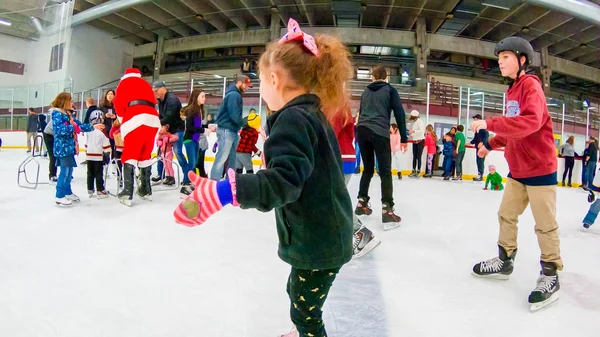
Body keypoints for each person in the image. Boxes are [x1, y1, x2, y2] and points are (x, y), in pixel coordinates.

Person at [173, 20, 354, 337]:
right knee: (297, 295)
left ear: (274, 79)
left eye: (261, 81)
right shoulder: (312, 115)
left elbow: (283, 182)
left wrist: (224, 193)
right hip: (324, 233)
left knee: (306, 314)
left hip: (318, 241)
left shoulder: (293, 120)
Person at [471, 37, 562, 311]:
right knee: (506, 215)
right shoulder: (511, 92)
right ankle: (505, 259)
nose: (500, 62)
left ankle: (550, 275)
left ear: (522, 59)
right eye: (499, 59)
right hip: (518, 169)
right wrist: (490, 144)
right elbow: (515, 132)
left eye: (506, 57)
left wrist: (490, 124)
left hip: (540, 169)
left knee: (544, 224)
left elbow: (531, 122)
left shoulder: (530, 86)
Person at [355, 65, 408, 227]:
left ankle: (361, 204)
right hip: (379, 132)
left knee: (368, 169)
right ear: (387, 78)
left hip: (362, 131)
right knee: (385, 171)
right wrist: (404, 138)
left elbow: (361, 112)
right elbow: (399, 112)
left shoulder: (365, 92)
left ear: (372, 78)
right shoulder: (390, 90)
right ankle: (387, 210)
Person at [331, 104, 381, 259]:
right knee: (333, 200)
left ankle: (361, 232)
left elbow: (329, 135)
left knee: (333, 200)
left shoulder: (335, 107)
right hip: (340, 159)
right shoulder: (336, 105)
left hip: (339, 159)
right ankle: (343, 236)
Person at [115, 68, 162, 206]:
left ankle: (127, 192)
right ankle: (146, 190)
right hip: (153, 120)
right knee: (145, 153)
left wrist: (123, 120)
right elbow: (154, 101)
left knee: (130, 153)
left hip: (135, 118)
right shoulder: (145, 84)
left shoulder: (124, 84)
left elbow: (119, 105)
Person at [50, 92, 103, 206]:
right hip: (62, 148)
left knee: (69, 171)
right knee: (64, 171)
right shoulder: (57, 114)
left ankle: (67, 192)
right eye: (71, 101)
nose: (72, 103)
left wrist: (92, 126)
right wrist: (73, 127)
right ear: (65, 102)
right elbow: (59, 130)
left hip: (70, 147)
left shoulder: (69, 114)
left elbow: (79, 125)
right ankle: (59, 195)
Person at [210, 75, 252, 180]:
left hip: (231, 131)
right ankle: (214, 183)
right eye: (246, 85)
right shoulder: (234, 95)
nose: (247, 87)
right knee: (222, 158)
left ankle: (230, 182)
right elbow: (234, 116)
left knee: (233, 159)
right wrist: (248, 120)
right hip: (226, 131)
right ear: (239, 83)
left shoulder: (234, 94)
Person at [152, 81, 187, 189]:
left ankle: (187, 178)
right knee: (161, 152)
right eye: (154, 91)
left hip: (177, 129)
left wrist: (156, 123)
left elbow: (169, 117)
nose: (155, 93)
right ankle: (162, 174)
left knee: (178, 152)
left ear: (163, 88)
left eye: (156, 90)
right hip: (167, 129)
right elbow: (161, 116)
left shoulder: (172, 100)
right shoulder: (160, 101)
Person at [181, 89, 207, 197]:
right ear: (196, 97)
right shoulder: (192, 109)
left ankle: (187, 182)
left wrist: (206, 127)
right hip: (189, 139)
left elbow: (198, 126)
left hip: (195, 140)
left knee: (194, 162)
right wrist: (203, 130)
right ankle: (185, 186)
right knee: (192, 163)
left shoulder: (199, 110)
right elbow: (190, 127)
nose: (204, 98)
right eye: (202, 96)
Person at [85, 110, 111, 198]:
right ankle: (100, 189)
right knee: (99, 173)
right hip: (98, 156)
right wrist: (107, 153)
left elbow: (86, 144)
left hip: (89, 155)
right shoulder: (102, 132)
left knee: (90, 173)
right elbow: (106, 145)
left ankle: (90, 188)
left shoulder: (88, 131)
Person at [470, 114, 489, 181]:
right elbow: (476, 138)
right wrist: (470, 142)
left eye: (475, 119)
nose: (474, 120)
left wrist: (482, 142)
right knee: (478, 160)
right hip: (478, 147)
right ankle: (479, 174)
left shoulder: (482, 126)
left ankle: (480, 175)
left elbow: (486, 135)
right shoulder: (477, 128)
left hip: (482, 148)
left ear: (478, 119)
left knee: (480, 161)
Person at [408, 110, 425, 178]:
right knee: (414, 157)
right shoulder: (415, 122)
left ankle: (418, 171)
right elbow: (415, 133)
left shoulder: (420, 121)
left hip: (420, 141)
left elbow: (421, 131)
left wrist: (413, 131)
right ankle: (413, 171)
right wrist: (410, 135)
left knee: (418, 157)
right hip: (415, 141)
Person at [43, 114, 58, 183]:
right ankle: (52, 175)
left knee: (57, 155)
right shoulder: (60, 115)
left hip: (53, 134)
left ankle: (65, 172)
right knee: (53, 155)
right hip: (48, 135)